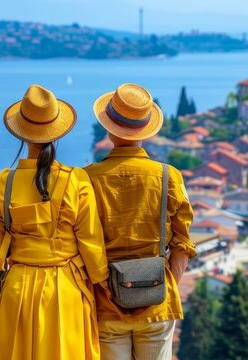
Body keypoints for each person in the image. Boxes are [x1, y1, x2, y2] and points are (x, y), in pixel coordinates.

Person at [0, 84, 109, 360]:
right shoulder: (75, 180)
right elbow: (92, 244)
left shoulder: (5, 181)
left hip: (18, 287)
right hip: (65, 288)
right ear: (57, 133)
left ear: (22, 134)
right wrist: (103, 284)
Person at [85, 83, 198, 360]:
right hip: (157, 301)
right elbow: (182, 246)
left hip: (106, 303)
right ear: (146, 132)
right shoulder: (168, 176)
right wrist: (164, 285)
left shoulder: (86, 178)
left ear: (109, 130)